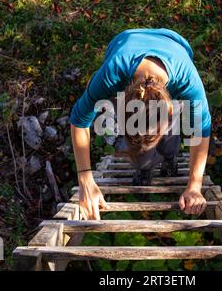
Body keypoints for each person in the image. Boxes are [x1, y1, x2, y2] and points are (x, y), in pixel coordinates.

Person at [69, 28, 211, 220]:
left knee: (170, 141)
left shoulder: (187, 81)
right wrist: (85, 180)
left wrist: (194, 185)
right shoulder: (111, 75)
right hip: (124, 44)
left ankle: (170, 157)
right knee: (139, 151)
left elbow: (200, 131)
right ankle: (144, 167)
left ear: (170, 111)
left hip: (175, 44)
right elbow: (79, 120)